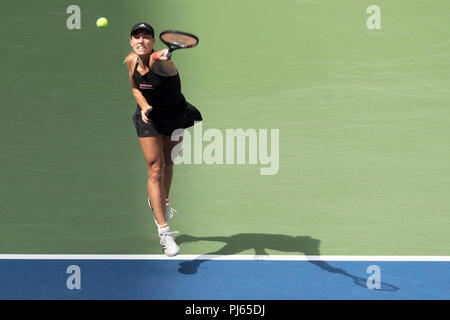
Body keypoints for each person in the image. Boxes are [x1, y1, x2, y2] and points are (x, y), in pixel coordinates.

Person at [124, 22, 202, 256]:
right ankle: (164, 232)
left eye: (146, 37)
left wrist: (164, 54)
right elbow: (135, 87)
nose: (141, 41)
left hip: (175, 115)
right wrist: (144, 105)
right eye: (136, 37)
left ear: (153, 42)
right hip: (149, 118)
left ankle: (161, 201)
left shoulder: (164, 63)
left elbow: (160, 58)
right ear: (131, 41)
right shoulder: (129, 61)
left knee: (168, 163)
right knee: (155, 168)